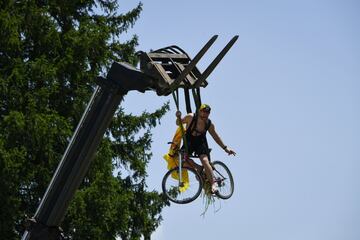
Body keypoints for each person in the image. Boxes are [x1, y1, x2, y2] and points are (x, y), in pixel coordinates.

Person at [176, 103, 236, 193]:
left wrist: (226, 148)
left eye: (207, 113)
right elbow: (178, 123)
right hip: (189, 141)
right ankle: (200, 169)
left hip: (200, 142)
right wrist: (178, 117)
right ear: (199, 111)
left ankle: (213, 184)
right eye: (203, 112)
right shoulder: (191, 117)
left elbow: (216, 137)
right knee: (183, 162)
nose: (205, 114)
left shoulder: (209, 124)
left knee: (204, 160)